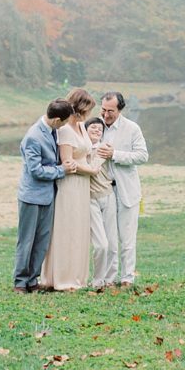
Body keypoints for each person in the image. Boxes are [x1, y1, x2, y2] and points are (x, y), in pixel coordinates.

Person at [13, 98, 76, 294]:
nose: (65, 126)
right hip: (31, 196)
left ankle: (33, 279)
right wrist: (62, 170)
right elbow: (36, 171)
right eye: (64, 122)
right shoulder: (33, 136)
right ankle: (20, 282)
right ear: (57, 119)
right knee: (27, 240)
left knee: (42, 240)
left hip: (48, 196)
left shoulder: (53, 131)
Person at [40, 88, 97, 291]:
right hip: (70, 184)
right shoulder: (64, 130)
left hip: (82, 186)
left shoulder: (81, 126)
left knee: (79, 229)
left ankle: (77, 275)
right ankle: (62, 277)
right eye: (87, 109)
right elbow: (67, 161)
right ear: (79, 108)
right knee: (67, 229)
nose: (89, 114)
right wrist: (90, 170)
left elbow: (87, 150)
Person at [96, 91, 148, 288]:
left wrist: (114, 154)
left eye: (110, 111)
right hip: (104, 191)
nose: (106, 115)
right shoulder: (96, 126)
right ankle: (109, 278)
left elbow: (142, 156)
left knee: (127, 238)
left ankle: (127, 278)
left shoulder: (132, 128)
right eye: (103, 110)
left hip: (127, 190)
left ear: (120, 109)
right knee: (109, 239)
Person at [85, 116, 116, 290]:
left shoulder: (104, 148)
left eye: (100, 129)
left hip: (108, 196)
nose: (97, 131)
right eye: (93, 128)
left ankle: (109, 279)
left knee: (111, 243)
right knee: (101, 244)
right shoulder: (80, 149)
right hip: (90, 200)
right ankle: (97, 280)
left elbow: (94, 168)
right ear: (85, 130)